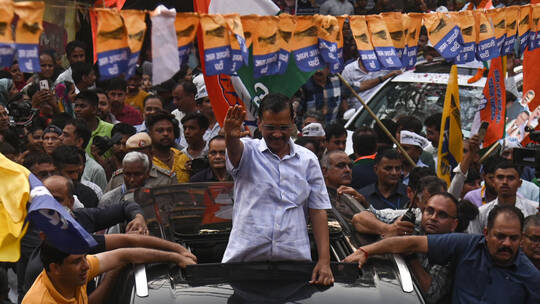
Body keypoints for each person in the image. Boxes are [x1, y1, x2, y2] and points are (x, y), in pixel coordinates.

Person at [223, 94, 333, 285]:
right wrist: (230, 138)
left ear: (293, 123)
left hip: (294, 264)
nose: (277, 134)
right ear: (259, 123)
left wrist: (324, 261)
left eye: (283, 128)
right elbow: (234, 153)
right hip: (244, 265)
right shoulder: (248, 151)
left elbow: (318, 211)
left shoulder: (308, 160)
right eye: (270, 127)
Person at [344, 205, 540, 304]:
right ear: (486, 233)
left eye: (513, 238)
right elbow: (411, 242)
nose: (506, 244)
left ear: (521, 238)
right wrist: (365, 251)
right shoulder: (468, 245)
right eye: (500, 236)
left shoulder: (531, 278)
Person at [22, 238, 196, 304]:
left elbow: (123, 254)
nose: (86, 265)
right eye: (76, 261)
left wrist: (175, 255)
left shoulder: (74, 271)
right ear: (55, 268)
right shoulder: (39, 301)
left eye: (84, 257)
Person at [468, 161, 538, 234]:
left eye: (511, 178)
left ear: (519, 183)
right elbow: (475, 241)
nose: (505, 182)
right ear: (493, 182)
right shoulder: (481, 213)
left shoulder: (534, 210)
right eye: (500, 177)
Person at [105, 132, 178, 192]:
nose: (137, 158)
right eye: (133, 154)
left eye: (142, 155)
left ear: (152, 154)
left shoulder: (167, 179)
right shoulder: (118, 178)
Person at [321, 150, 368, 228]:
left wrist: (364, 202)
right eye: (341, 166)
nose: (348, 170)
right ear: (325, 171)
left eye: (350, 166)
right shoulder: (321, 199)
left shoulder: (352, 194)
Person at [61, 118, 107, 191]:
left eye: (66, 135)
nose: (60, 138)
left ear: (79, 141)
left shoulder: (95, 170)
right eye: (62, 134)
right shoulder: (55, 161)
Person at [148, 112, 190, 183]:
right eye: (160, 130)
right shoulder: (146, 160)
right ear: (150, 134)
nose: (166, 134)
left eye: (169, 130)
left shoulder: (182, 157)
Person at [72, 90, 114, 158]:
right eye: (76, 106)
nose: (77, 109)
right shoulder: (71, 130)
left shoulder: (111, 129)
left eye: (82, 106)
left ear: (94, 109)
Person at [171, 80, 198, 149]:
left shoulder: (204, 115)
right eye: (173, 98)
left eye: (178, 98)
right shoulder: (174, 115)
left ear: (191, 96)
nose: (174, 102)